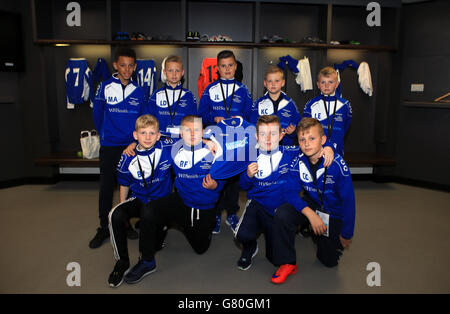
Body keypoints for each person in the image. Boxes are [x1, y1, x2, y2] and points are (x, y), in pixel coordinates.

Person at [122, 115, 226, 285]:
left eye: (197, 130)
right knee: (149, 210)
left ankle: (200, 224)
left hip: (202, 207)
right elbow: (151, 134)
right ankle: (147, 261)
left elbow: (225, 177)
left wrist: (216, 185)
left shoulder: (215, 151)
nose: (192, 134)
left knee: (200, 248)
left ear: (204, 132)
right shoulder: (174, 147)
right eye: (187, 130)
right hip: (181, 200)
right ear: (180, 133)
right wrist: (133, 144)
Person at [271, 117, 355, 284]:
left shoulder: (337, 165)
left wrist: (346, 234)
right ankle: (287, 262)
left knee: (328, 261)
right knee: (282, 214)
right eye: (302, 139)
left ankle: (318, 233)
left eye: (312, 138)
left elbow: (349, 203)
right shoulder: (298, 161)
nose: (307, 143)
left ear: (323, 140)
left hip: (333, 213)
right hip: (313, 205)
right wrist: (310, 214)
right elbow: (289, 192)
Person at [107, 114, 174, 287]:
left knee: (151, 218)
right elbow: (123, 184)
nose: (148, 137)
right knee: (115, 214)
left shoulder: (167, 147)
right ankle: (122, 261)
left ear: (159, 135)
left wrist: (209, 141)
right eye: (143, 133)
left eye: (152, 133)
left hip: (162, 201)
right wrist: (124, 214)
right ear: (135, 135)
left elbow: (190, 136)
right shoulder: (127, 157)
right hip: (140, 198)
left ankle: (148, 260)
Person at [90, 47, 145, 249]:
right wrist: (106, 135)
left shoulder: (139, 91)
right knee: (106, 187)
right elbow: (97, 115)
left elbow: (142, 119)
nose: (127, 69)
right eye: (123, 65)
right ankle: (104, 227)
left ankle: (125, 223)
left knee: (129, 186)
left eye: (131, 66)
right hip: (110, 146)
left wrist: (136, 141)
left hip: (131, 146)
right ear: (115, 65)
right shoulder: (104, 87)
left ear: (135, 67)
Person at [197, 50, 254, 234]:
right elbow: (201, 115)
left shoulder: (243, 90)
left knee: (234, 179)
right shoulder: (209, 89)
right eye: (223, 66)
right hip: (217, 141)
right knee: (218, 176)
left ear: (235, 67)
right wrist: (214, 118)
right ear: (218, 68)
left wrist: (241, 118)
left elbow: (251, 117)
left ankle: (231, 212)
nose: (227, 69)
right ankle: (215, 214)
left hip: (237, 142)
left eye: (230, 65)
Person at [235, 115, 300, 271]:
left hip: (279, 210)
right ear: (257, 136)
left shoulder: (291, 153)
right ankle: (250, 247)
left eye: (273, 133)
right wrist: (248, 175)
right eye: (263, 134)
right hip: (257, 205)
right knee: (241, 235)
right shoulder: (250, 156)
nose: (268, 138)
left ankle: (276, 236)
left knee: (274, 259)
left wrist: (328, 147)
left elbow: (313, 145)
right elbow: (243, 186)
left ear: (282, 135)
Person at [302, 66, 352, 157]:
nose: (326, 86)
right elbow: (305, 129)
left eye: (330, 82)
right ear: (318, 84)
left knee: (334, 171)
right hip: (315, 152)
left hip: (337, 151)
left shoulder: (345, 105)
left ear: (337, 84)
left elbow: (346, 127)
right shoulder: (311, 104)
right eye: (323, 82)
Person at [248, 65, 302, 146]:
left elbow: (298, 125)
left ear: (283, 82)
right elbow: (252, 126)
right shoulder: (258, 104)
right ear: (265, 83)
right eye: (270, 81)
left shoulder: (290, 104)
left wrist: (292, 132)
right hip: (264, 146)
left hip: (285, 147)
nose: (273, 84)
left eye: (277, 81)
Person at [146, 55, 197, 135]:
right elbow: (148, 120)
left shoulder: (189, 96)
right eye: (170, 71)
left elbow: (194, 121)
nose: (174, 74)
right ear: (164, 72)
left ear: (182, 72)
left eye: (177, 70)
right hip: (160, 139)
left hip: (182, 140)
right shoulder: (156, 95)